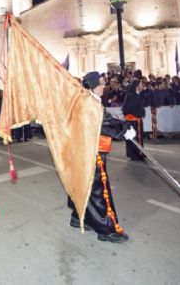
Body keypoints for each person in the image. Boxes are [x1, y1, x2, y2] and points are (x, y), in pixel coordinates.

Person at [68, 71, 129, 243]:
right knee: (99, 190)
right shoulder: (89, 102)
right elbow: (104, 122)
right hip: (90, 152)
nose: (104, 87)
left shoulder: (85, 100)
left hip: (81, 150)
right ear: (93, 86)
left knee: (83, 185)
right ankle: (106, 229)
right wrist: (124, 129)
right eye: (101, 84)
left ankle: (77, 216)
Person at [121, 79, 146, 161]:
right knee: (136, 137)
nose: (143, 86)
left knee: (132, 137)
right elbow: (132, 109)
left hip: (132, 121)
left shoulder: (131, 94)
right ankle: (138, 154)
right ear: (137, 86)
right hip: (135, 121)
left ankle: (133, 154)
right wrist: (140, 114)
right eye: (141, 84)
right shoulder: (134, 95)